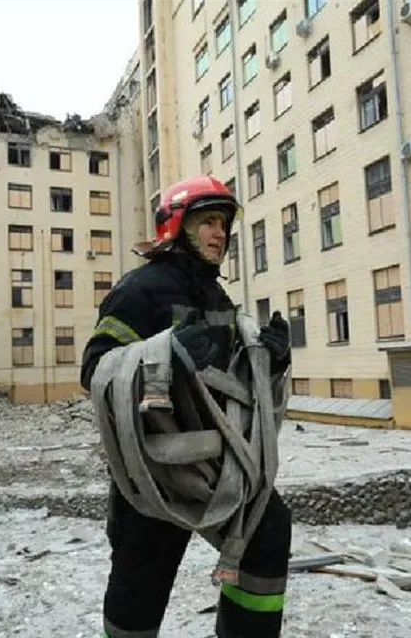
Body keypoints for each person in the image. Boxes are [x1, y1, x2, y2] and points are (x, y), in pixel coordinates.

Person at [80, 175, 293, 638]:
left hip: (218, 464)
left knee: (268, 530)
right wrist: (163, 358)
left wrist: (268, 361)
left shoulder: (216, 297)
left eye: (224, 224)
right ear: (177, 226)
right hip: (154, 468)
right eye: (209, 222)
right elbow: (95, 369)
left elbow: (231, 377)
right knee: (141, 582)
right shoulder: (140, 290)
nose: (221, 234)